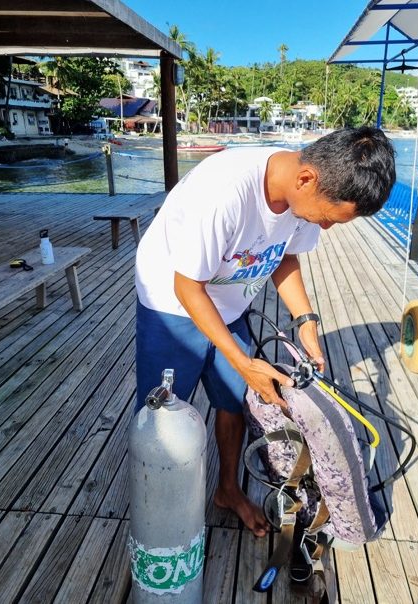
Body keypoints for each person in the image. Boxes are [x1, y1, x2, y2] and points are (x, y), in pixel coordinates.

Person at [135, 126, 396, 537]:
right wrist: (243, 361)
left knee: (234, 401)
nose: (325, 228)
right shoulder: (223, 193)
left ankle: (227, 490)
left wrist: (306, 320)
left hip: (228, 301)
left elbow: (285, 256)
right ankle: (160, 517)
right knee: (161, 418)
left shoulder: (307, 186)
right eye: (327, 218)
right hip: (171, 302)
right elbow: (187, 288)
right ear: (306, 179)